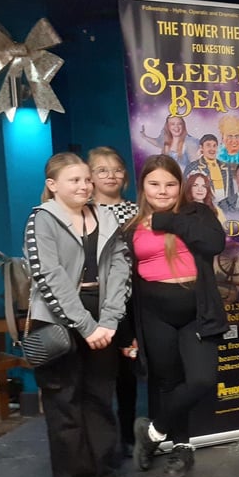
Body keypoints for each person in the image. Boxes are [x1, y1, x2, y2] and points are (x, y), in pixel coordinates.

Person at [24, 153, 130, 477]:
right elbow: (48, 276)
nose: (84, 185)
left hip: (102, 316)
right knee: (65, 401)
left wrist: (110, 320)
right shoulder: (42, 219)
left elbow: (119, 268)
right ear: (53, 185)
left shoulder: (105, 216)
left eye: (87, 179)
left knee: (99, 398)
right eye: (75, 180)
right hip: (59, 318)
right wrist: (85, 327)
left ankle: (104, 472)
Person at [129, 155, 228, 477]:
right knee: (168, 384)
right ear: (143, 185)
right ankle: (181, 448)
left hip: (196, 314)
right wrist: (127, 332)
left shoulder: (196, 213)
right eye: (154, 184)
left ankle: (153, 433)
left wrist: (166, 221)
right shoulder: (132, 225)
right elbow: (125, 280)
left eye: (170, 184)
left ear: (180, 186)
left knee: (201, 380)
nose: (162, 191)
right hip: (153, 314)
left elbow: (214, 243)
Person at [88, 146, 139, 457]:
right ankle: (101, 441)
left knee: (130, 373)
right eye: (102, 170)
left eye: (117, 169)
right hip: (99, 305)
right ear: (90, 177)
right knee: (101, 374)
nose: (111, 176)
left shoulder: (137, 212)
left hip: (137, 302)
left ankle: (130, 434)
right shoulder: (83, 212)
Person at [185, 133, 235, 203]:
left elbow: (231, 190)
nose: (212, 149)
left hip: (226, 207)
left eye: (214, 146)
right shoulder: (193, 166)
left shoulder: (225, 167)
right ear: (201, 148)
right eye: (208, 145)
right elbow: (186, 191)